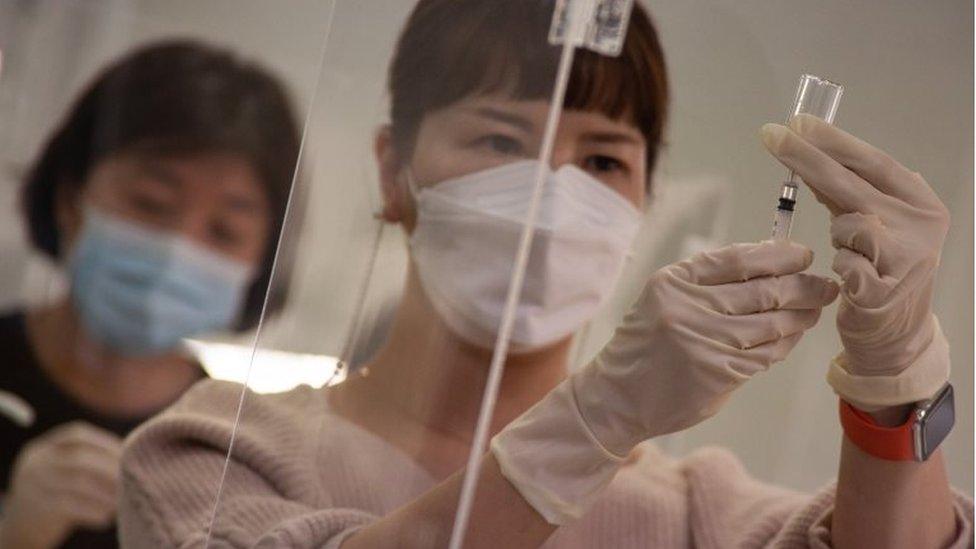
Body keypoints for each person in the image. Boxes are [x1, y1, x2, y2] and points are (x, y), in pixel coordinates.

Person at [118, 1, 973, 548]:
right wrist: (598, 416)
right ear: (393, 171)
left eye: (602, 160)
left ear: (645, 200)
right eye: (499, 141)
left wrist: (897, 373)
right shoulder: (221, 450)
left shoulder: (694, 511)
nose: (553, 193)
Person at [0, 41, 302, 549]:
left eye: (224, 231)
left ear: (260, 261)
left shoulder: (231, 449)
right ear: (70, 198)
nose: (177, 250)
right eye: (150, 202)